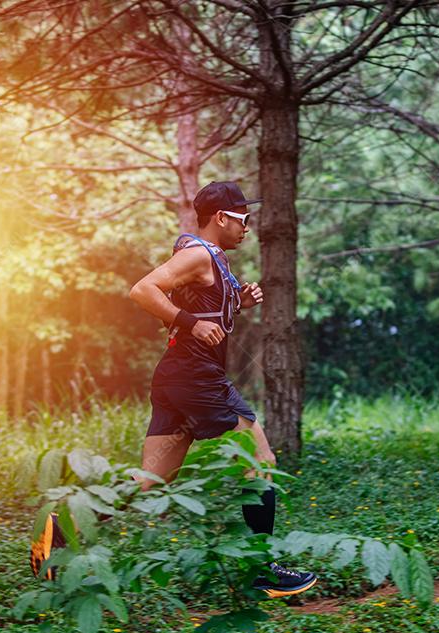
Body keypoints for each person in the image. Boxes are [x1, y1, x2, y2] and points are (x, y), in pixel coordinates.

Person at [127, 180, 317, 599]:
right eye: (243, 218)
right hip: (196, 376)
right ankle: (261, 567)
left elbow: (202, 303)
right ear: (221, 218)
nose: (248, 226)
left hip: (177, 378)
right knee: (261, 457)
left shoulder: (211, 259)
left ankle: (64, 528)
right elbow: (143, 290)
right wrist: (190, 323)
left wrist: (240, 301)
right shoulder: (197, 254)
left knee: (150, 481)